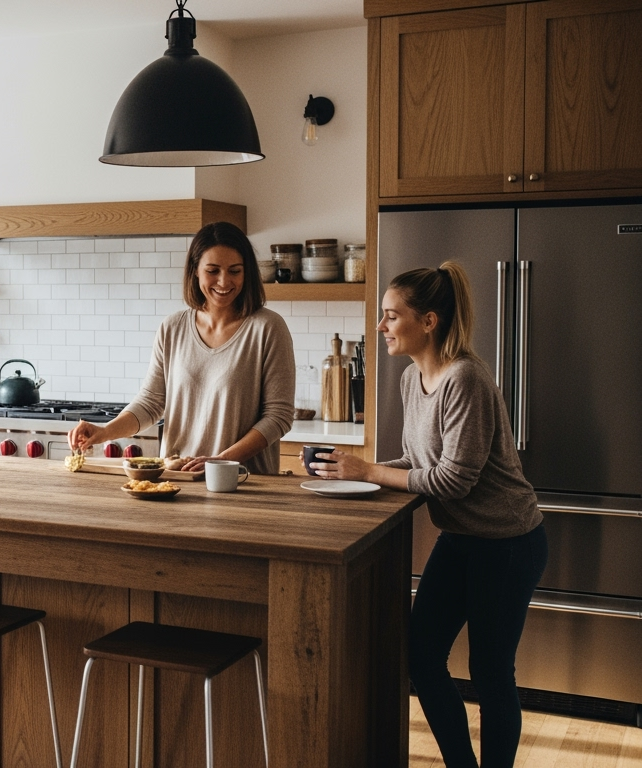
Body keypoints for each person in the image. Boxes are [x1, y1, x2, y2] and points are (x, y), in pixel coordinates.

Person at [310, 261, 546, 768]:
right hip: (462, 539)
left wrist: (369, 470)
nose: (381, 327)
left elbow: (453, 480)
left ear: (429, 321)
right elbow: (417, 465)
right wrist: (346, 473)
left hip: (506, 544)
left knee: (489, 674)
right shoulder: (413, 378)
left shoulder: (464, 379)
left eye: (392, 317)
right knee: (420, 657)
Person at [68, 221, 295, 474]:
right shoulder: (173, 327)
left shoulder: (268, 328)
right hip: (178, 479)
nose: (224, 281)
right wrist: (105, 431)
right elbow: (151, 402)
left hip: (242, 482)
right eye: (212, 270)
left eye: (235, 271)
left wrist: (220, 461)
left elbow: (279, 416)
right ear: (195, 271)